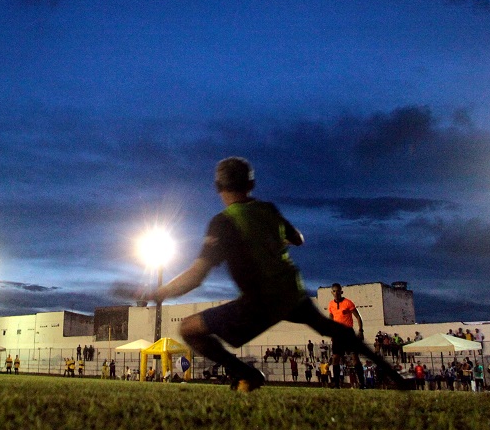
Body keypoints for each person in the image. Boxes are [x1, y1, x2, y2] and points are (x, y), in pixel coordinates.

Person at [144, 157, 410, 393]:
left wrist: (161, 292)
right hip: (292, 292)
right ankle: (393, 376)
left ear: (218, 187)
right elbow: (298, 239)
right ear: (252, 184)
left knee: (188, 329)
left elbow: (196, 276)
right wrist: (275, 241)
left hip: (260, 301)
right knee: (334, 330)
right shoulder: (268, 210)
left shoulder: (223, 223)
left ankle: (246, 373)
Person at [328, 283, 366, 387]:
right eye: (334, 291)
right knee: (335, 357)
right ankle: (336, 384)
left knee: (355, 357)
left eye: (337, 291)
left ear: (341, 291)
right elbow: (331, 317)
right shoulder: (331, 304)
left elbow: (358, 317)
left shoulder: (348, 303)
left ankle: (362, 383)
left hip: (348, 333)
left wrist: (361, 330)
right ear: (332, 292)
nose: (336, 293)